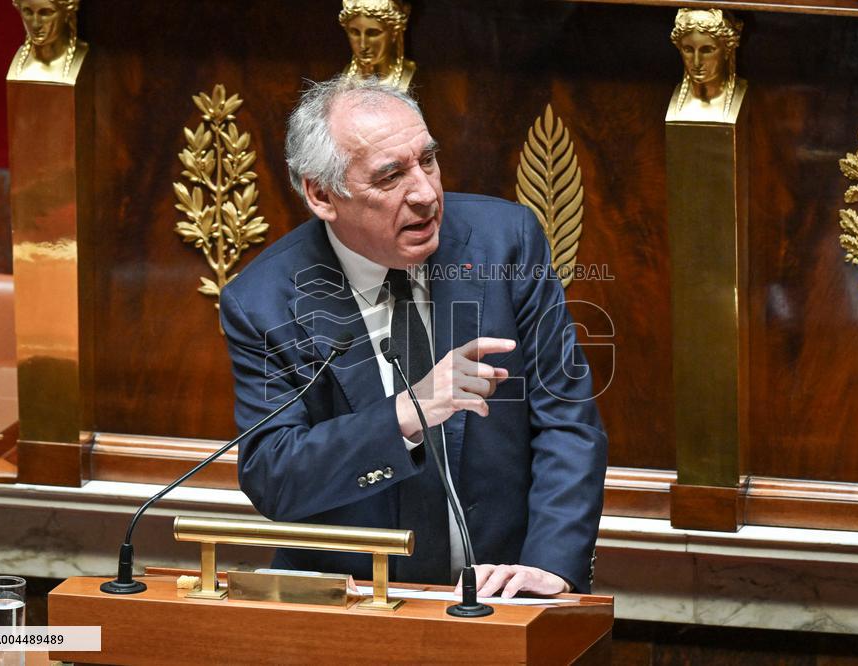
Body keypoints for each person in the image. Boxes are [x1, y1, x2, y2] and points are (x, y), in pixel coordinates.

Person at [220, 77, 607, 596]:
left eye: (427, 160)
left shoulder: (505, 242)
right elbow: (274, 473)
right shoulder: (265, 300)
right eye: (391, 176)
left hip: (506, 594)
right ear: (321, 194)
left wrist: (552, 565)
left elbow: (567, 419)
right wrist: (406, 413)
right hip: (352, 605)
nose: (425, 193)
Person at [667, 8, 745, 122]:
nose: (697, 62)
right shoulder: (675, 101)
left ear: (727, 50)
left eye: (707, 50)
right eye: (688, 50)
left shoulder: (740, 92)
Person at [339, 0, 416, 91]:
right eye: (355, 32)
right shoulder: (347, 77)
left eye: (373, 33)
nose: (363, 45)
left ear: (394, 33)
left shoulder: (408, 75)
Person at [8, 0, 88, 84]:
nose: (35, 24)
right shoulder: (19, 65)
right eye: (28, 12)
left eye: (45, 13)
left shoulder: (85, 57)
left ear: (67, 13)